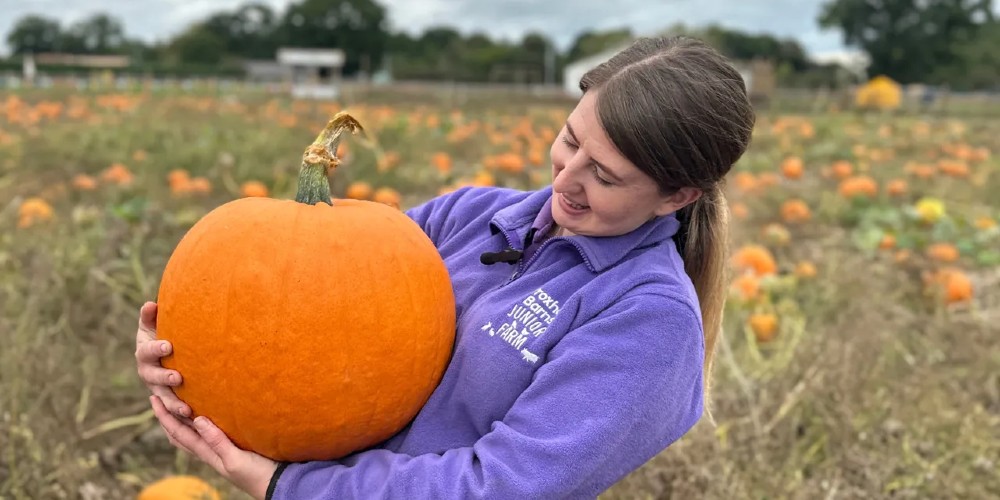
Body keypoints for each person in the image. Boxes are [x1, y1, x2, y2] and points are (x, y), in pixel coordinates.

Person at [135, 35, 755, 500]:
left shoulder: (648, 321)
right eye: (570, 141)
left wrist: (290, 487)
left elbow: (502, 486)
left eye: (607, 175)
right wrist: (187, 350)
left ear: (679, 196)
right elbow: (306, 305)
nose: (565, 179)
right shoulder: (467, 213)